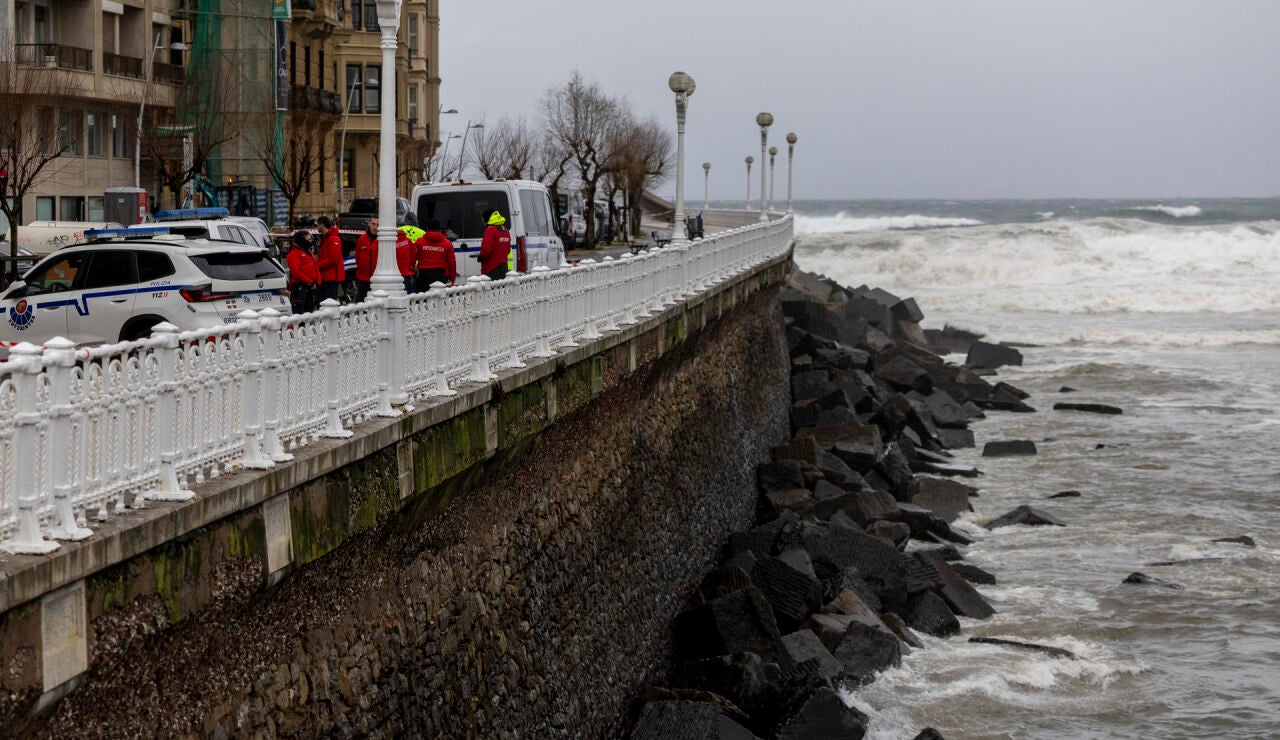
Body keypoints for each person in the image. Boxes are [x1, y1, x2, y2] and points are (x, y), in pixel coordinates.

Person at [415, 218, 457, 291]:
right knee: (439, 299)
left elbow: (413, 256)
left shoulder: (419, 241)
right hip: (440, 275)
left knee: (422, 298)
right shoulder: (447, 243)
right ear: (439, 229)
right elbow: (452, 262)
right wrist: (452, 278)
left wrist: (413, 270)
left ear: (427, 228)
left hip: (423, 274)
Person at [285, 231, 320, 314]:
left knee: (310, 312)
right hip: (300, 288)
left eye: (310, 239)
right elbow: (296, 272)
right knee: (300, 313)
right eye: (308, 239)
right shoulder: (293, 254)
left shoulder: (308, 252)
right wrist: (310, 282)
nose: (310, 241)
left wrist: (318, 281)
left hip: (311, 287)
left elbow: (315, 267)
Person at [315, 215, 345, 303]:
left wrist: (317, 265)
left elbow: (333, 259)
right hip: (325, 276)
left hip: (331, 277)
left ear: (322, 225)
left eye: (318, 224)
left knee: (329, 301)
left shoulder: (333, 239)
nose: (317, 227)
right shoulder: (326, 238)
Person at [478, 210, 511, 281]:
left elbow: (486, 250)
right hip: (503, 267)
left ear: (487, 218)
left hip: (491, 268)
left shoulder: (490, 230)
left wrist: (481, 257)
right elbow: (508, 250)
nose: (483, 221)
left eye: (483, 219)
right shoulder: (505, 230)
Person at [353, 218, 379, 302]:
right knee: (361, 303)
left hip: (377, 279)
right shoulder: (362, 239)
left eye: (377, 225)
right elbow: (357, 257)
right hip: (363, 278)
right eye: (373, 224)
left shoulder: (382, 240)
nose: (375, 227)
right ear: (369, 224)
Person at [395, 218, 424, 293]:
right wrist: (412, 264)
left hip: (395, 270)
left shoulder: (394, 232)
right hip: (411, 268)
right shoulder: (421, 232)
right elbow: (416, 251)